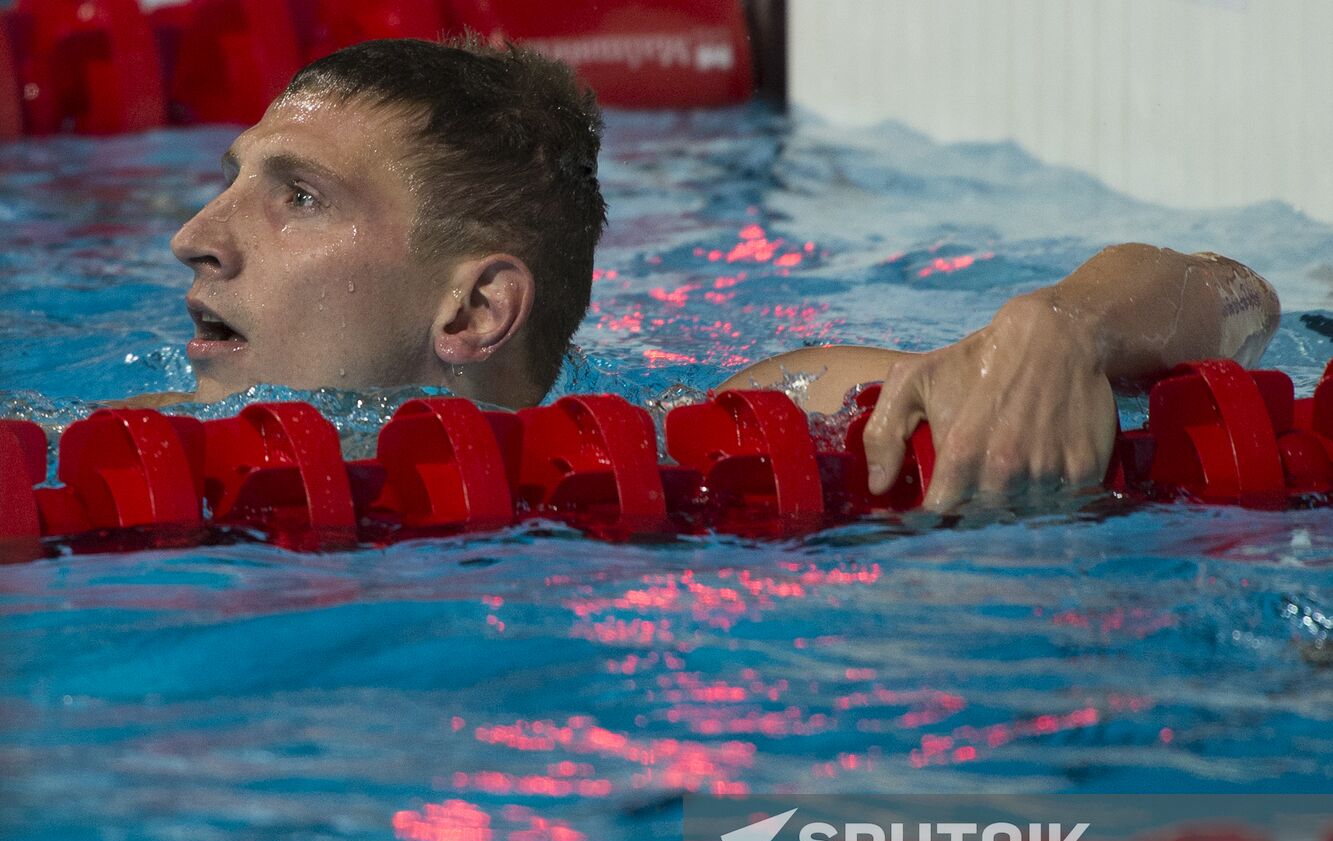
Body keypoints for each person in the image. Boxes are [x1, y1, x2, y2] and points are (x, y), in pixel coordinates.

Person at [132, 37, 1281, 512]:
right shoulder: (122, 456)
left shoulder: (753, 428)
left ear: (477, 307)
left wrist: (1065, 325)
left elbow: (1235, 294)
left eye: (296, 197)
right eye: (232, 180)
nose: (196, 233)